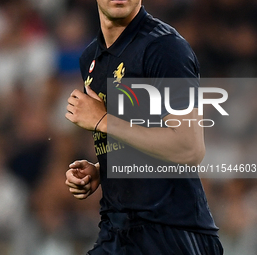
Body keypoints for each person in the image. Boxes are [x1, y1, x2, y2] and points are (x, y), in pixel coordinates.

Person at [65, 0, 223, 254]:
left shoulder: (165, 48)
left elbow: (189, 149)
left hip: (171, 234)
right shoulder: (91, 58)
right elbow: (136, 135)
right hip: (116, 230)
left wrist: (104, 121)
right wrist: (100, 170)